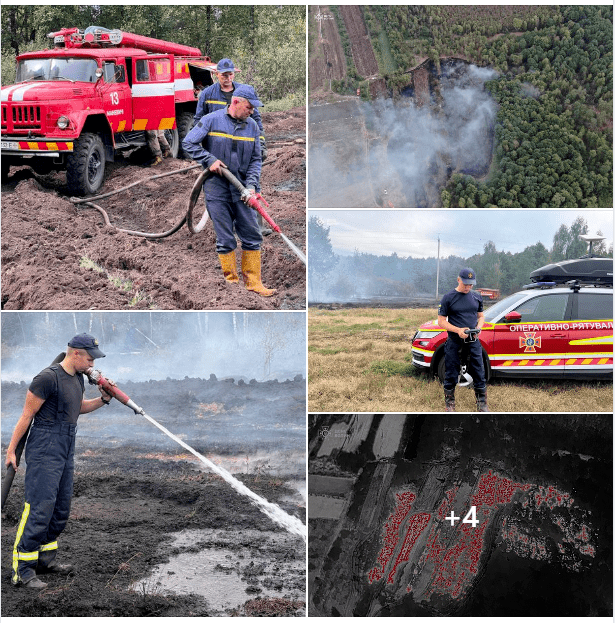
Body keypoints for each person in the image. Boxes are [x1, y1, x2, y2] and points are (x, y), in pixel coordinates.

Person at [6, 334, 113, 589]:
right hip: (44, 447)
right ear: (75, 353)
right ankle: (23, 571)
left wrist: (104, 400)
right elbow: (26, 416)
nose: (92, 365)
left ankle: (45, 561)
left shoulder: (77, 378)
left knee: (60, 509)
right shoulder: (47, 378)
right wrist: (11, 450)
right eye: (89, 359)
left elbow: (76, 408)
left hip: (66, 446)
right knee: (39, 508)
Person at [182, 84, 276, 297]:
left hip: (242, 189)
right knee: (225, 238)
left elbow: (255, 159)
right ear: (236, 102)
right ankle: (231, 286)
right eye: (249, 107)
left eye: (253, 108)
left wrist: (251, 185)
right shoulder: (211, 120)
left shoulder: (252, 126)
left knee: (252, 234)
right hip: (217, 189)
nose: (252, 111)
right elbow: (188, 143)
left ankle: (254, 283)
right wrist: (209, 160)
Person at [194, 59, 271, 234]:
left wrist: (260, 142)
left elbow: (255, 120)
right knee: (218, 188)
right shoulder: (207, 94)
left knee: (250, 184)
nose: (228, 78)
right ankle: (226, 227)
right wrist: (204, 153)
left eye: (230, 74)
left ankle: (255, 226)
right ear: (216, 75)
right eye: (224, 75)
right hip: (217, 149)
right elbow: (199, 120)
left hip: (242, 145)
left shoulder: (244, 91)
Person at [437, 268, 489, 412]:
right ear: (458, 279)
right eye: (466, 284)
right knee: (451, 372)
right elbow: (441, 321)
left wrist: (479, 327)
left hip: (473, 341)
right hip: (454, 341)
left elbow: (481, 316)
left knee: (479, 371)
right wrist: (458, 330)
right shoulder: (448, 297)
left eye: (471, 284)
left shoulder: (477, 297)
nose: (468, 287)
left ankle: (482, 403)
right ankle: (450, 404)